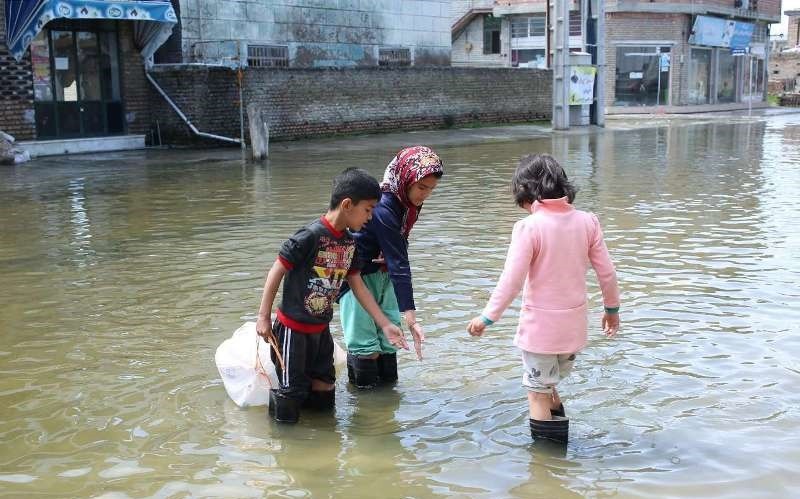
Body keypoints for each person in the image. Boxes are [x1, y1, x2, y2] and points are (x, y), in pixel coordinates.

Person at [466, 153, 620, 444]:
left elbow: (511, 280)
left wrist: (487, 317)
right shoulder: (588, 221)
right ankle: (560, 450)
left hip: (541, 333)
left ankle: (547, 465)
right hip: (573, 332)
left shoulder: (529, 227)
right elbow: (607, 273)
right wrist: (612, 310)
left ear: (527, 192)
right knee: (547, 384)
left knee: (536, 392)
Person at [255, 168, 407, 423]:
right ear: (347, 204)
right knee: (292, 391)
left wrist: (385, 324)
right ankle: (285, 448)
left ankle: (323, 443)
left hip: (320, 330)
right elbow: (276, 270)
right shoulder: (309, 236)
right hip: (293, 329)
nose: (370, 217)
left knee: (325, 387)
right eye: (368, 210)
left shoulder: (349, 244)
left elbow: (358, 286)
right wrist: (263, 317)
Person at [339, 146, 444, 388]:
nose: (425, 195)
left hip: (383, 275)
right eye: (421, 187)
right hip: (358, 278)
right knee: (365, 344)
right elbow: (399, 261)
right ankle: (366, 410)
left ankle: (386, 408)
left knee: (389, 342)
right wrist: (411, 318)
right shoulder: (385, 207)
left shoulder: (406, 204)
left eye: (431, 189)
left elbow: (398, 251)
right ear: (406, 179)